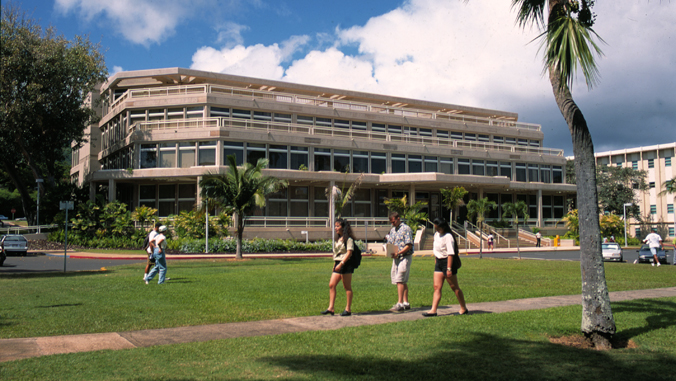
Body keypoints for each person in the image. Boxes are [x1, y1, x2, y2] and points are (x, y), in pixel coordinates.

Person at [422, 218, 468, 317]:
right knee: (436, 287)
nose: (436, 230)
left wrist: (449, 268)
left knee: (454, 287)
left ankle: (463, 308)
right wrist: (436, 258)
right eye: (435, 227)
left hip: (447, 262)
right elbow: (436, 248)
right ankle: (433, 310)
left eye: (438, 228)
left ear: (443, 227)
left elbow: (451, 253)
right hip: (439, 261)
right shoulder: (436, 235)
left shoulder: (448, 236)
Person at [321, 218, 356, 316]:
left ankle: (348, 309)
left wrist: (341, 264)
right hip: (337, 264)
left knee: (347, 287)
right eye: (335, 226)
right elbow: (336, 254)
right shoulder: (338, 239)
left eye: (338, 226)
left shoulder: (348, 239)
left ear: (343, 228)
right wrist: (335, 265)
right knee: (331, 285)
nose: (336, 228)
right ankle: (331, 308)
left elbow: (349, 252)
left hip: (346, 264)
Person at [387, 212, 414, 312]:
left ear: (398, 218)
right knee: (402, 280)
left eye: (393, 221)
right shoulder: (393, 230)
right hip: (396, 258)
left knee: (400, 279)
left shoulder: (406, 229)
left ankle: (399, 303)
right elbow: (390, 243)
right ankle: (406, 302)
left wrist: (399, 253)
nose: (392, 224)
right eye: (391, 222)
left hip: (405, 256)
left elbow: (409, 245)